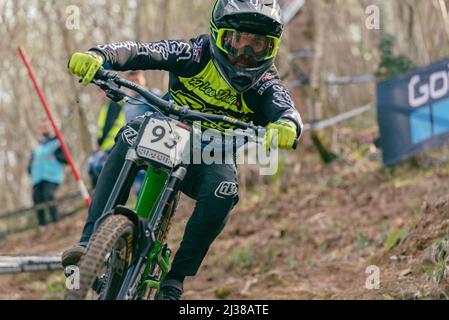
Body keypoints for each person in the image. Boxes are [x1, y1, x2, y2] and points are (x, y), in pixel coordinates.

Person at [62, 0, 303, 300]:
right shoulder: (195, 52)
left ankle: (175, 278)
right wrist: (100, 55)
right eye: (238, 40)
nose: (245, 53)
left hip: (209, 156)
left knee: (224, 189)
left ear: (272, 47)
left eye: (258, 45)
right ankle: (88, 244)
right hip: (167, 131)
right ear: (219, 35)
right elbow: (143, 51)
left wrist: (287, 126)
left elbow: (286, 109)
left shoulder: (265, 83)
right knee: (129, 134)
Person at [28, 119, 68, 226]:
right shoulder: (37, 147)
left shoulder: (57, 142)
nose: (44, 129)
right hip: (37, 178)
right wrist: (30, 169)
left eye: (46, 126)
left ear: (51, 127)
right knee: (37, 200)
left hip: (52, 176)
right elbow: (31, 162)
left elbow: (66, 158)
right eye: (42, 127)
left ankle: (56, 222)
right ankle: (42, 226)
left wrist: (58, 157)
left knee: (49, 195)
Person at [88, 91, 126, 188]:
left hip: (111, 145)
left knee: (97, 168)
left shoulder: (114, 104)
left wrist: (99, 144)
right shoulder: (107, 106)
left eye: (102, 92)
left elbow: (108, 126)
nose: (100, 95)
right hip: (108, 146)